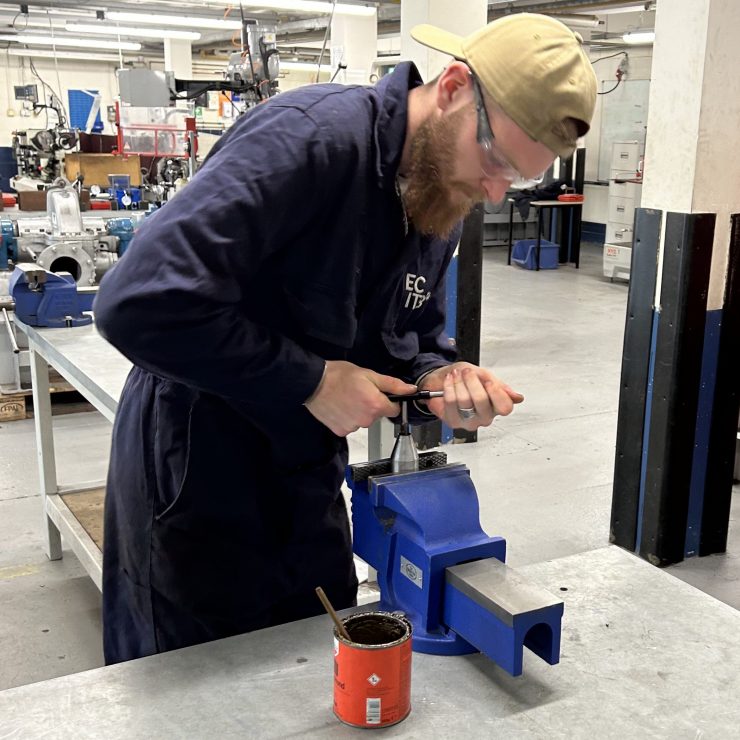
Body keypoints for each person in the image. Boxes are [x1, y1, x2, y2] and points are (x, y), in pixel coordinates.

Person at [94, 13, 597, 664]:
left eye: (516, 180)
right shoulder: (310, 141)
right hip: (196, 482)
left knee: (316, 666)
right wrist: (311, 380)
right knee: (198, 694)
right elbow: (137, 301)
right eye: (495, 159)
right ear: (452, 88)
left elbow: (410, 332)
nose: (494, 191)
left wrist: (439, 377)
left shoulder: (437, 195)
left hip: (305, 485)